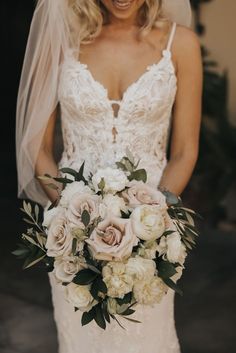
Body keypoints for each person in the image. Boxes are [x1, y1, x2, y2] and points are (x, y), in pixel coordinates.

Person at [16, 1, 203, 352]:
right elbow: (37, 148)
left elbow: (184, 151)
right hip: (71, 238)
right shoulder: (61, 43)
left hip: (152, 237)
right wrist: (75, 221)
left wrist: (149, 222)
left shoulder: (182, 44)